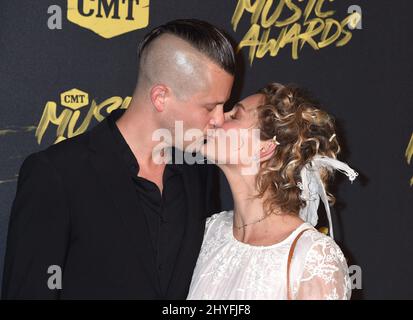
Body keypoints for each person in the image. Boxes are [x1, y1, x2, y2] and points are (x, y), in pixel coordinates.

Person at [2, 19, 235, 299]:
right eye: (210, 106)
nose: (219, 120)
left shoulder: (197, 171)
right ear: (160, 97)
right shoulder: (58, 174)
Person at [187, 83, 358, 300]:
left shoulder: (312, 258)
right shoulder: (211, 232)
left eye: (234, 116)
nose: (217, 119)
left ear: (265, 148)